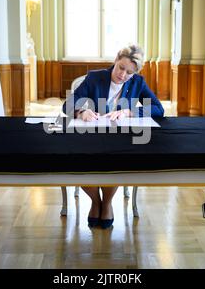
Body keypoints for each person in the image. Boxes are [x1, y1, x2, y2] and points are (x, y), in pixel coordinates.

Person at [63, 44, 164, 229]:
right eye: (121, 68)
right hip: (90, 136)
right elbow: (67, 105)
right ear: (115, 61)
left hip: (120, 138)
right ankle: (95, 201)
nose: (123, 75)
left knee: (117, 161)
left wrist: (130, 111)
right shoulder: (95, 77)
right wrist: (80, 112)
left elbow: (159, 109)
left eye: (129, 72)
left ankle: (107, 202)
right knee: (77, 161)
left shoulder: (138, 83)